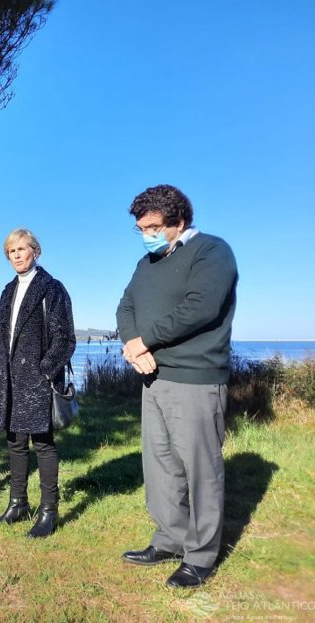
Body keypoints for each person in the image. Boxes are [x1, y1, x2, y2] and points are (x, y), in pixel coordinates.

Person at [116, 184, 238, 589]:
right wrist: (133, 346)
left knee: (201, 469)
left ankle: (200, 557)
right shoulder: (145, 264)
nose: (146, 235)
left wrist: (145, 340)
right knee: (160, 465)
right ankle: (169, 539)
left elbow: (201, 308)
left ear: (179, 221)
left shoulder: (211, 251)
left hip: (196, 378)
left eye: (153, 227)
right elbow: (125, 307)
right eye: (140, 229)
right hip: (153, 377)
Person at [0, 228, 76, 538]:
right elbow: (0, 335)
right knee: (15, 441)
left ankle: (49, 511)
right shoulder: (7, 290)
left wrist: (45, 370)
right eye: (12, 251)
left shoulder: (52, 288)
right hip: (9, 379)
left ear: (35, 251)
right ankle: (18, 504)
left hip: (37, 379)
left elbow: (65, 338)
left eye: (22, 249)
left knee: (43, 444)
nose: (17, 255)